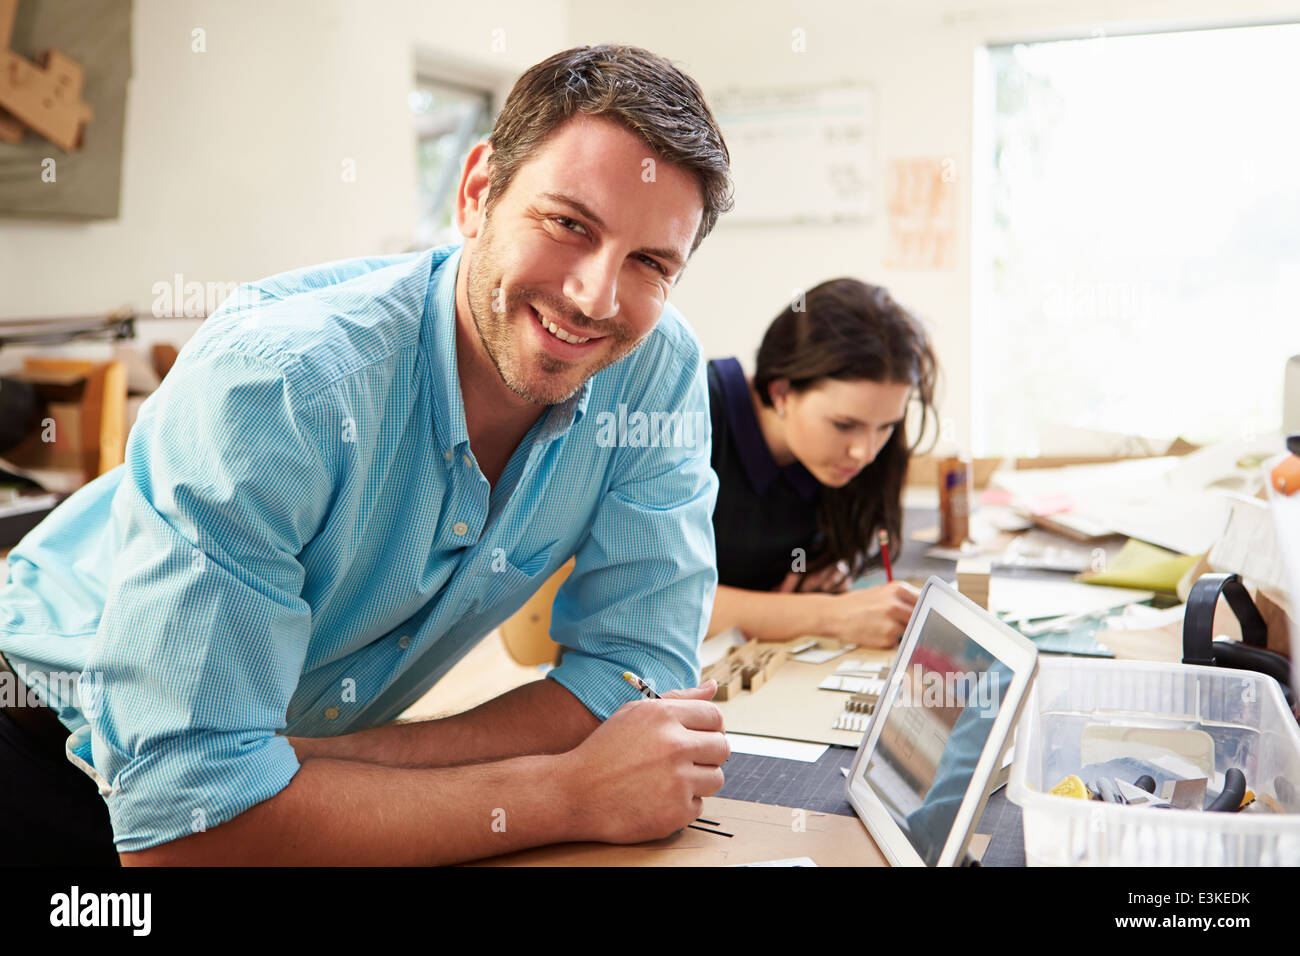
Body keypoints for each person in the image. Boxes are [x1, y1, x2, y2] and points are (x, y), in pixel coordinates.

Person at [0, 44, 734, 866]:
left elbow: (636, 676)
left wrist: (334, 767)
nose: (595, 297)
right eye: (570, 225)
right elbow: (185, 828)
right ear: (477, 193)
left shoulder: (655, 368)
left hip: (292, 760)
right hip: (44, 748)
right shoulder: (278, 384)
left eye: (649, 263)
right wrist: (566, 793)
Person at [706, 279, 938, 647]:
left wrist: (827, 568)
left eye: (886, 427)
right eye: (844, 425)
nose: (865, 453)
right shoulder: (694, 415)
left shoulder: (851, 451)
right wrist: (829, 616)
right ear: (781, 392)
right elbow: (653, 603)